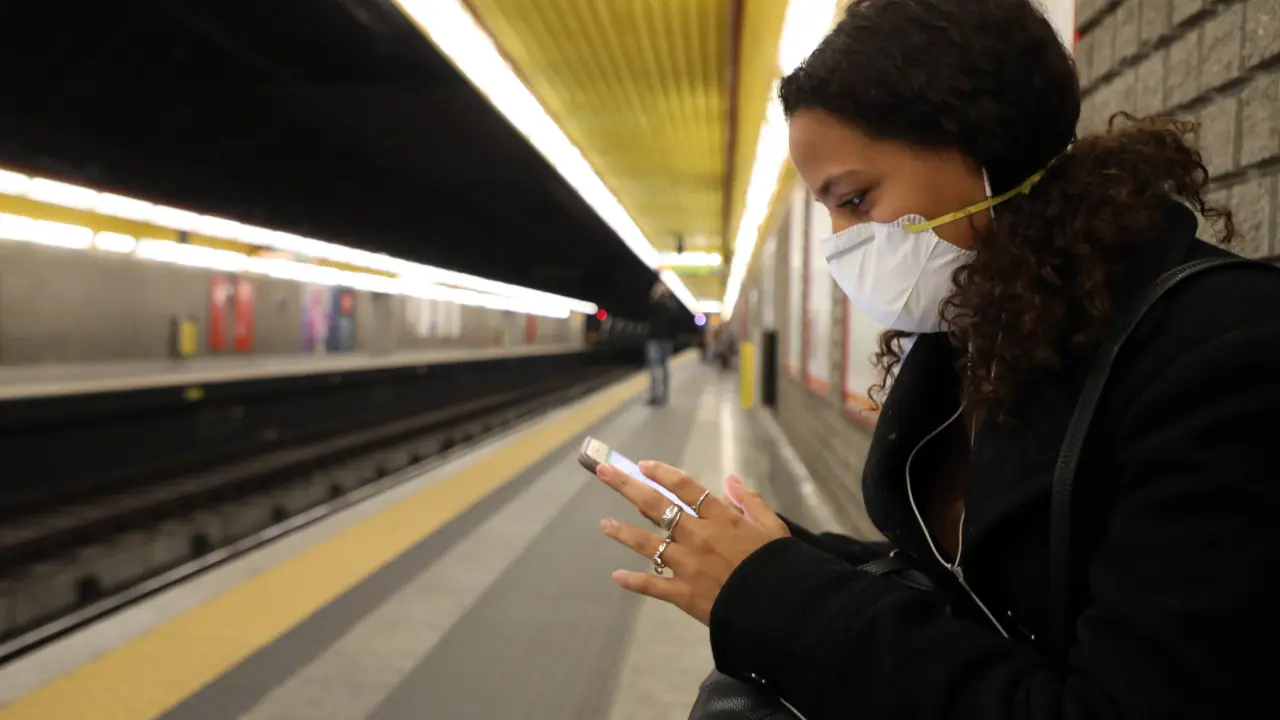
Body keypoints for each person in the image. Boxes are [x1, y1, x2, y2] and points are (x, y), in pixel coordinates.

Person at [590, 1, 1280, 718]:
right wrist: (775, 557)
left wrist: (780, 600)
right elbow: (970, 591)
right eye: (829, 211)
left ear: (985, 153)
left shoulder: (1224, 359)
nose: (841, 243)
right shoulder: (988, 333)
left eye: (856, 199)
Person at [645, 281, 677, 405]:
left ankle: (656, 395)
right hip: (665, 340)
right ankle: (662, 396)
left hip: (656, 340)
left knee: (655, 367)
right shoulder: (671, 306)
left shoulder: (659, 305)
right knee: (662, 368)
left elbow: (646, 313)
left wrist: (654, 296)